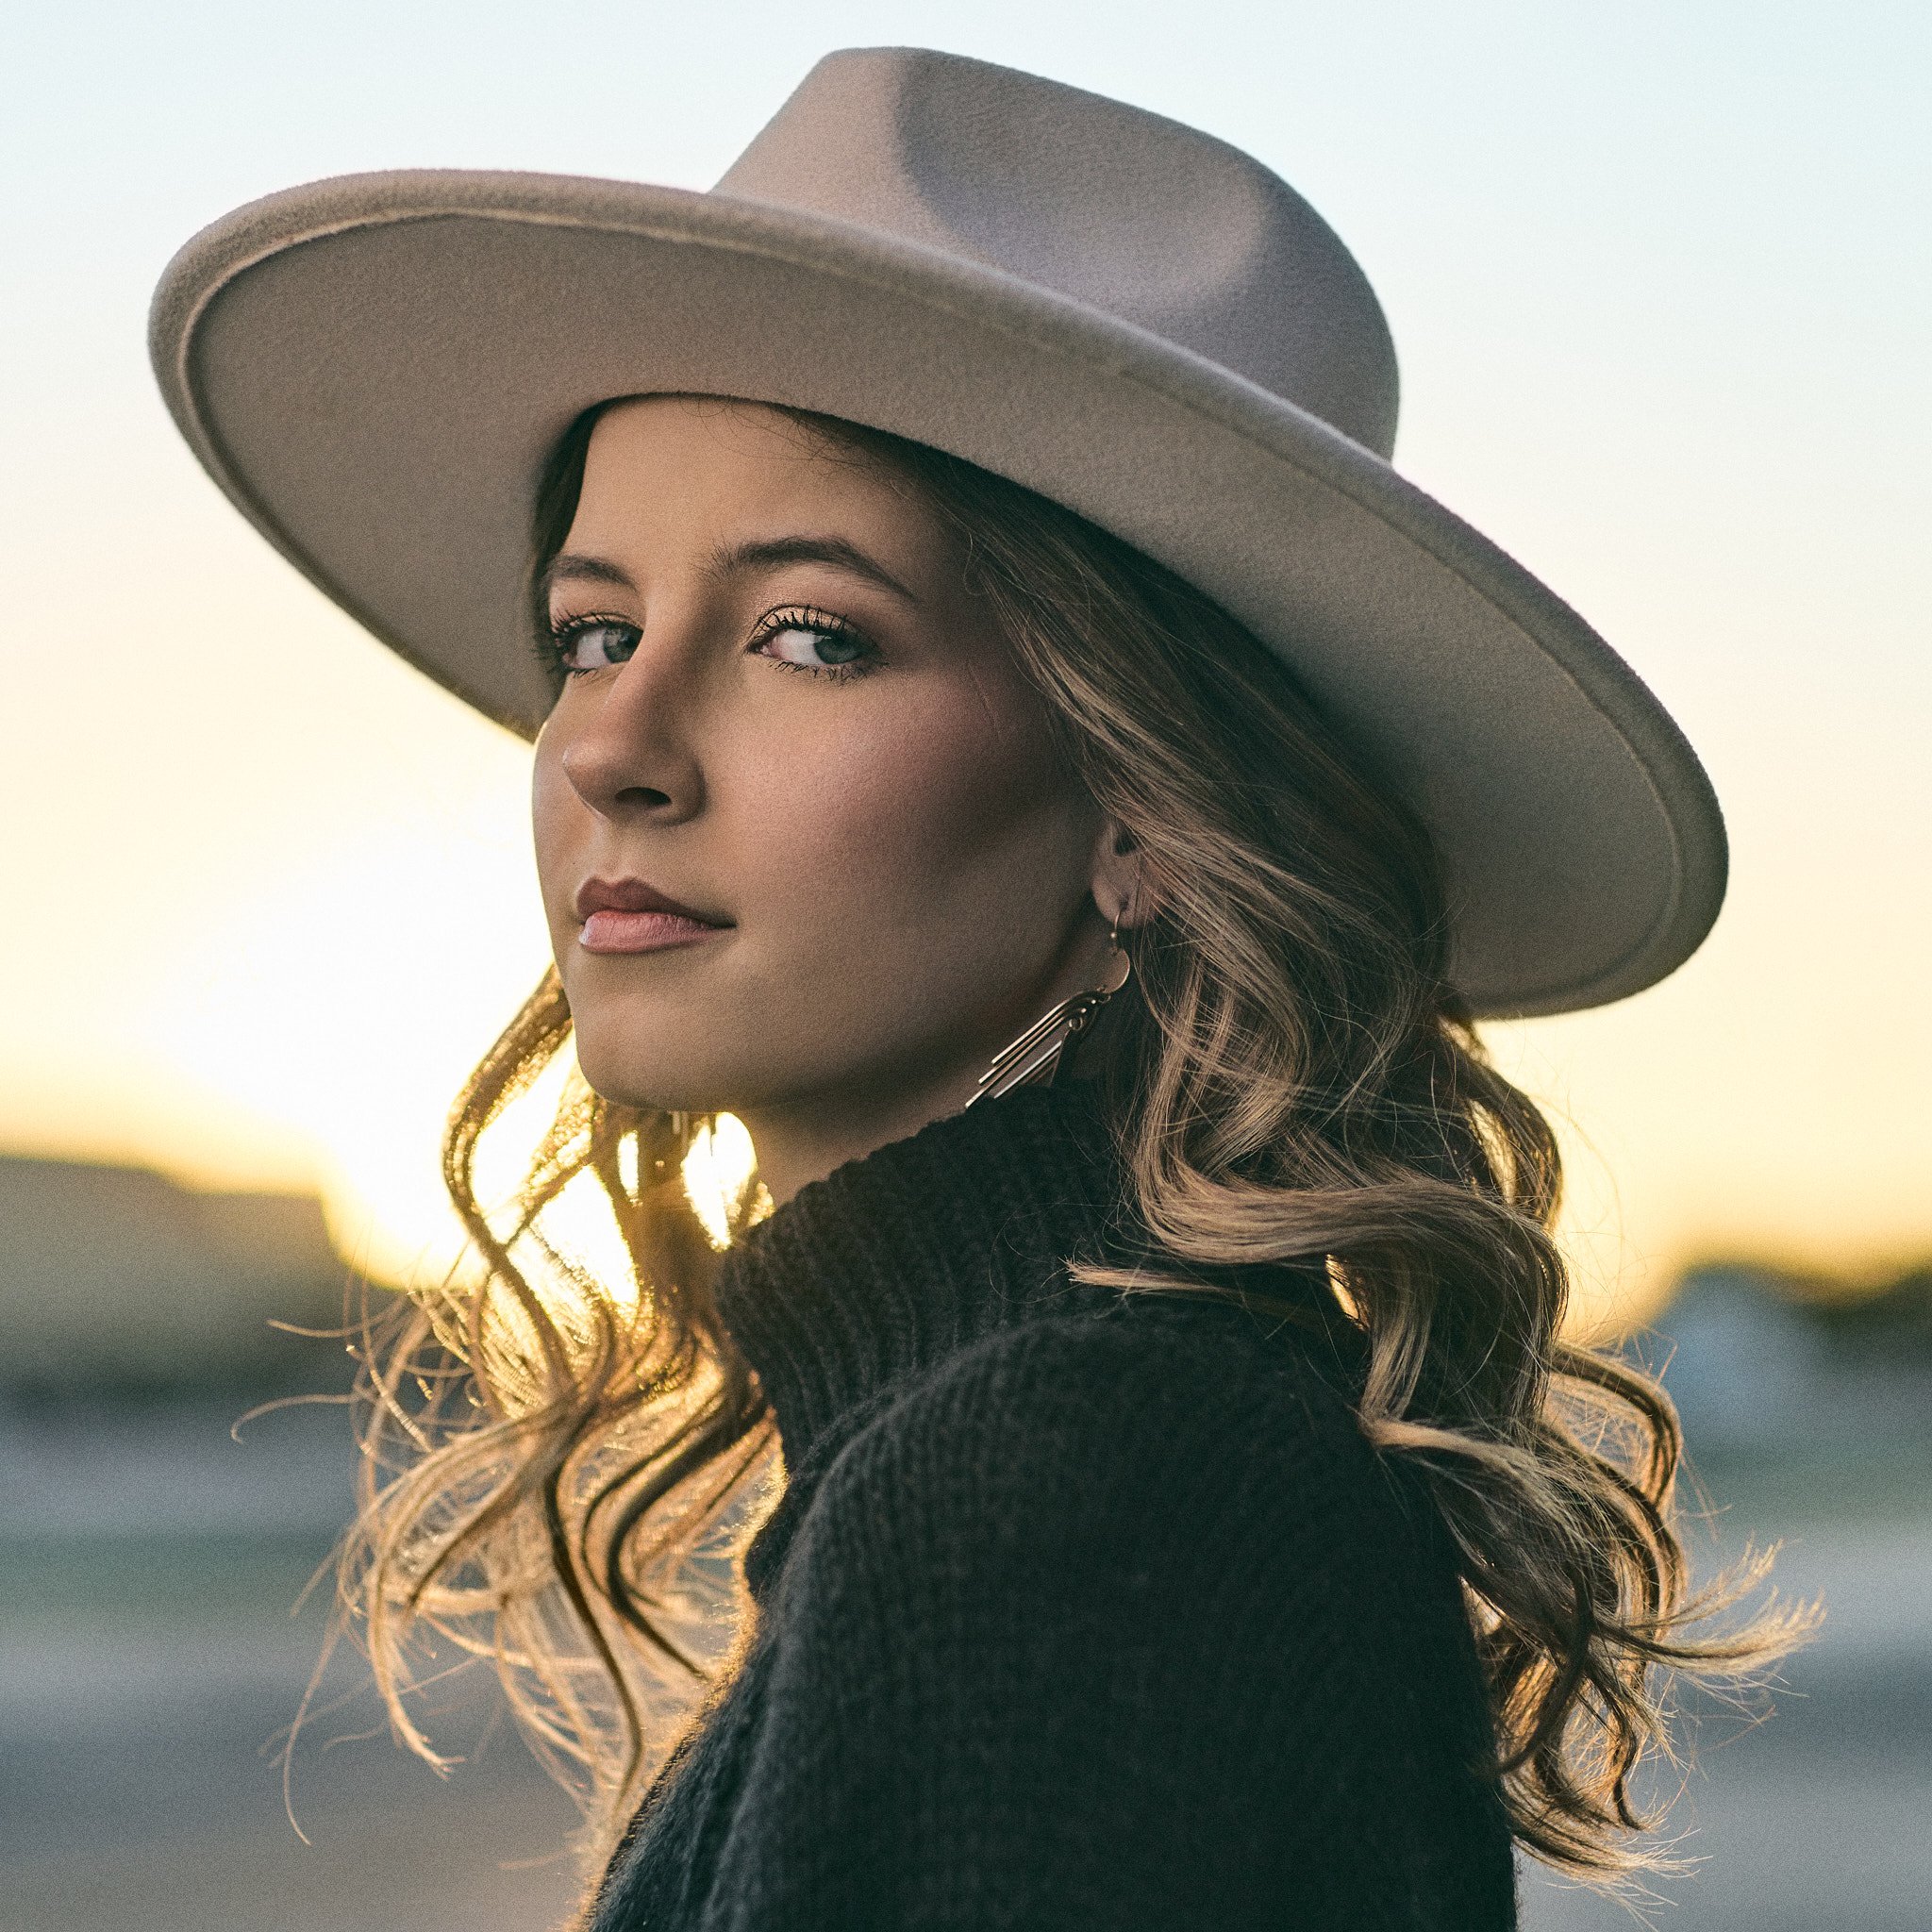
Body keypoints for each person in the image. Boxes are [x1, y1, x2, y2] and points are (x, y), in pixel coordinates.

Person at [151, 45, 1799, 1930]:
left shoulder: (1065, 1489)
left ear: (1144, 813)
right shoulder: (1049, 1435)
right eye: (591, 630)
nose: (611, 740)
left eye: (809, 635)